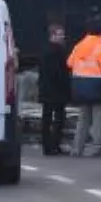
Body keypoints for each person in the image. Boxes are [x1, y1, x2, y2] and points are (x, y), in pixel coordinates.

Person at [66, 15, 101, 158]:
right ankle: (97, 148)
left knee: (83, 118)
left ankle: (77, 149)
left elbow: (69, 63)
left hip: (80, 85)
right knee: (98, 117)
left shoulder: (80, 44)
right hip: (97, 85)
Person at [37, 23, 70, 156]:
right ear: (53, 35)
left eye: (62, 34)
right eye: (60, 34)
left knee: (47, 117)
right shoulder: (58, 51)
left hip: (46, 89)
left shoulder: (45, 50)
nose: (62, 36)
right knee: (58, 118)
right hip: (57, 89)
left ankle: (47, 145)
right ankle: (54, 145)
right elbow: (59, 72)